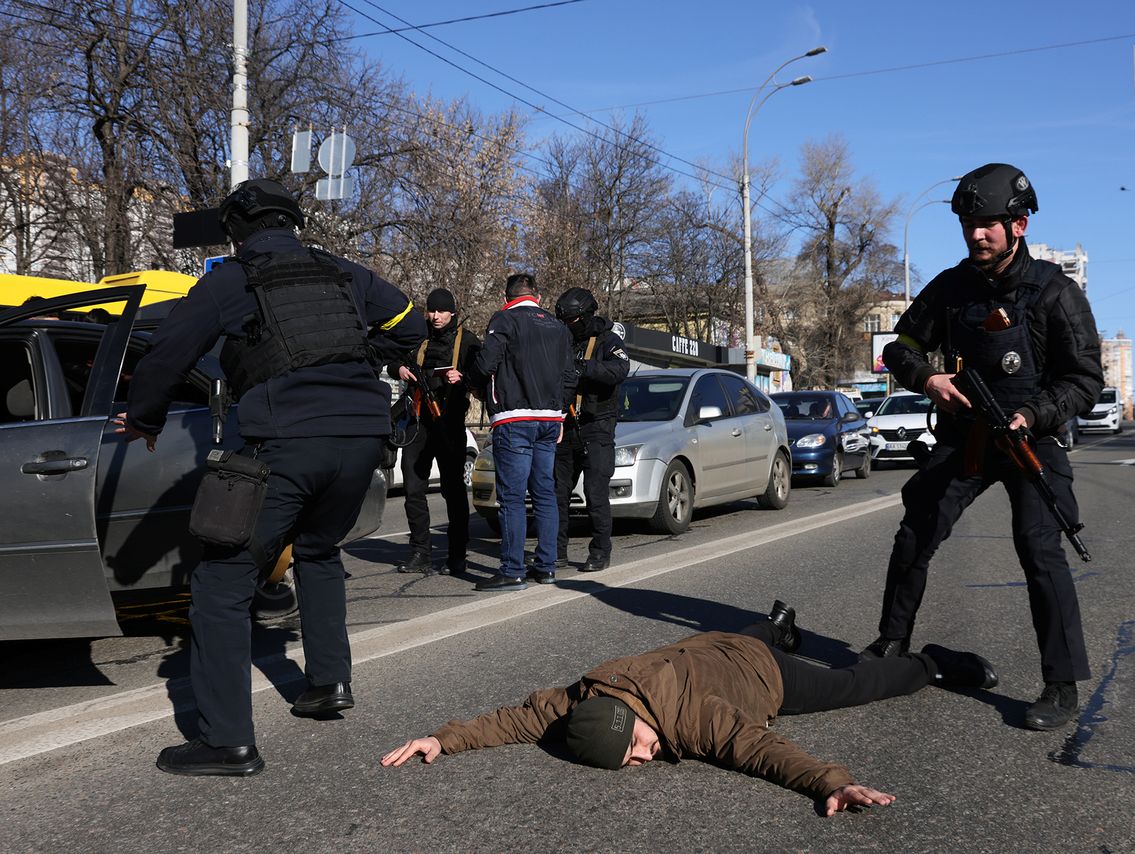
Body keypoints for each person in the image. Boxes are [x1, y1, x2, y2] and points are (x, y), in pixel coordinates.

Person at [115, 178, 426, 776]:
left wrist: (148, 417)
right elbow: (413, 328)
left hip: (283, 439)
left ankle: (225, 741)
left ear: (236, 232)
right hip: (362, 438)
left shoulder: (232, 280)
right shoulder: (346, 275)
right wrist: (361, 353)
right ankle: (329, 685)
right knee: (317, 549)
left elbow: (168, 350)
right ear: (292, 225)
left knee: (222, 583)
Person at [860, 163, 1103, 732]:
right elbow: (899, 348)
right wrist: (928, 379)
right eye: (969, 224)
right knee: (916, 530)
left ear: (1018, 225)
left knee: (1040, 551)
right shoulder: (950, 288)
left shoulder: (1055, 292)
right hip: (965, 438)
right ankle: (891, 644)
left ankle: (1060, 685)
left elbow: (1085, 380)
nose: (976, 234)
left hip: (1030, 440)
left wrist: (1034, 412)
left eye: (988, 224)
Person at [381, 602, 999, 815]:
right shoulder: (583, 699)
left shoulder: (697, 718)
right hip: (705, 646)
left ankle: (932, 664)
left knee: (848, 683)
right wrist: (442, 739)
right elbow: (515, 718)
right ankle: (774, 624)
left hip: (755, 673)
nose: (647, 760)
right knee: (752, 634)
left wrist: (833, 782)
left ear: (636, 723)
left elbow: (764, 749)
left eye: (637, 750)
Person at [465, 272, 576, 591]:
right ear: (537, 297)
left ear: (506, 298)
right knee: (545, 493)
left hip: (514, 418)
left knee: (512, 497)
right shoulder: (558, 327)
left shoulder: (504, 320)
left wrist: (474, 385)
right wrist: (559, 415)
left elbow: (486, 365)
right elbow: (570, 376)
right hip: (549, 421)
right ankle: (547, 566)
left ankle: (513, 569)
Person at [393, 288, 481, 577]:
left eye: (441, 311)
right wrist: (400, 370)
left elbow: (483, 375)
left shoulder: (466, 342)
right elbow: (394, 357)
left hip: (450, 423)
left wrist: (463, 377)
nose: (436, 316)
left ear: (452, 312)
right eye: (431, 311)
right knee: (413, 488)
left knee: (453, 491)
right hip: (420, 424)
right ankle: (420, 551)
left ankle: (457, 555)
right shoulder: (421, 339)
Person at [552, 287, 629, 573]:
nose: (567, 325)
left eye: (571, 320)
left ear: (584, 316)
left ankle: (600, 551)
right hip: (566, 425)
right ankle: (555, 552)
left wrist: (584, 367)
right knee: (557, 493)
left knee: (595, 493)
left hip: (596, 425)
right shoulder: (560, 339)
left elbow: (620, 370)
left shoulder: (608, 340)